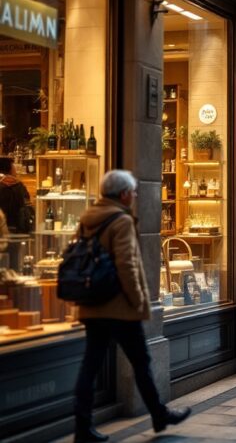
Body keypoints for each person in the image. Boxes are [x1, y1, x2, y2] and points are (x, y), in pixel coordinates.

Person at [74, 170, 190, 442]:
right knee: (141, 362)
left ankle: (82, 427)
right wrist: (139, 301)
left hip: (93, 304)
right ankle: (159, 415)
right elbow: (127, 265)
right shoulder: (121, 220)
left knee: (90, 366)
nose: (135, 195)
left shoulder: (88, 217)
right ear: (124, 194)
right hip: (119, 307)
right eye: (133, 191)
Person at [0, 157, 31, 232]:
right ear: (10, 170)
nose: (15, 171)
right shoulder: (18, 184)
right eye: (13, 168)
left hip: (2, 225)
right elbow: (26, 201)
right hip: (17, 225)